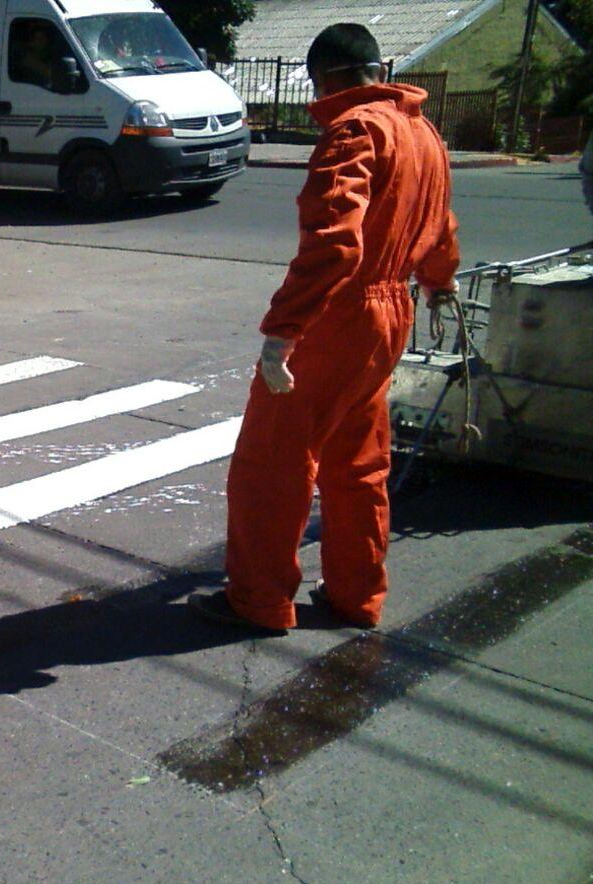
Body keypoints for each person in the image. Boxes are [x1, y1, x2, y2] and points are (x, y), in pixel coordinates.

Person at [188, 23, 460, 633]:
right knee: (359, 460)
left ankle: (257, 600)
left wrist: (284, 331)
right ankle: (356, 594)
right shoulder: (423, 132)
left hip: (341, 315)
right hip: (391, 313)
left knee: (274, 462)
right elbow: (441, 227)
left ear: (325, 78)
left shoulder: (355, 129)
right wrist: (440, 283)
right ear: (380, 68)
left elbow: (335, 244)